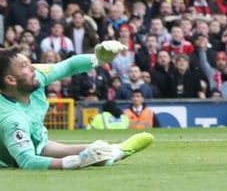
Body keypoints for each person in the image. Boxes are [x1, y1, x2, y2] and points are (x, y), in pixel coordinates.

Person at [0, 41, 153, 169]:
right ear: (10, 80)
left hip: (38, 144)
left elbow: (69, 66)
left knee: (98, 151)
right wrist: (74, 162)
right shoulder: (10, 118)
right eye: (24, 66)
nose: (33, 67)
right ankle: (115, 152)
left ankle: (113, 151)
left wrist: (98, 59)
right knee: (83, 155)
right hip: (10, 160)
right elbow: (27, 161)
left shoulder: (35, 77)